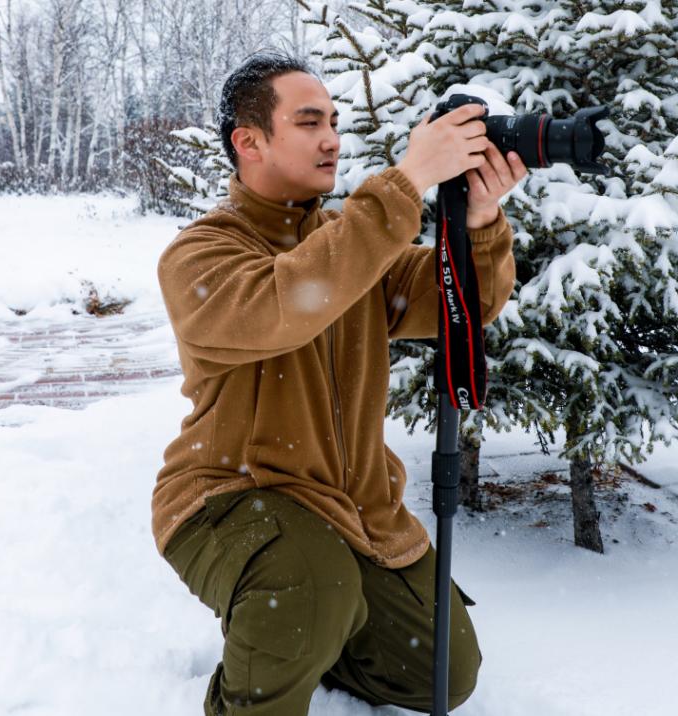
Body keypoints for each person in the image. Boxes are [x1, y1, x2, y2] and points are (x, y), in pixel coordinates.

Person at [152, 51, 525, 715]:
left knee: (443, 669)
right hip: (230, 494)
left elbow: (460, 304)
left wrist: (479, 223)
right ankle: (264, 676)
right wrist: (407, 181)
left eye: (333, 120)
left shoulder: (352, 244)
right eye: (308, 121)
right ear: (250, 141)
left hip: (351, 507)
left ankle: (314, 630)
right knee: (306, 588)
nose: (331, 138)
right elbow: (287, 302)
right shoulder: (201, 253)